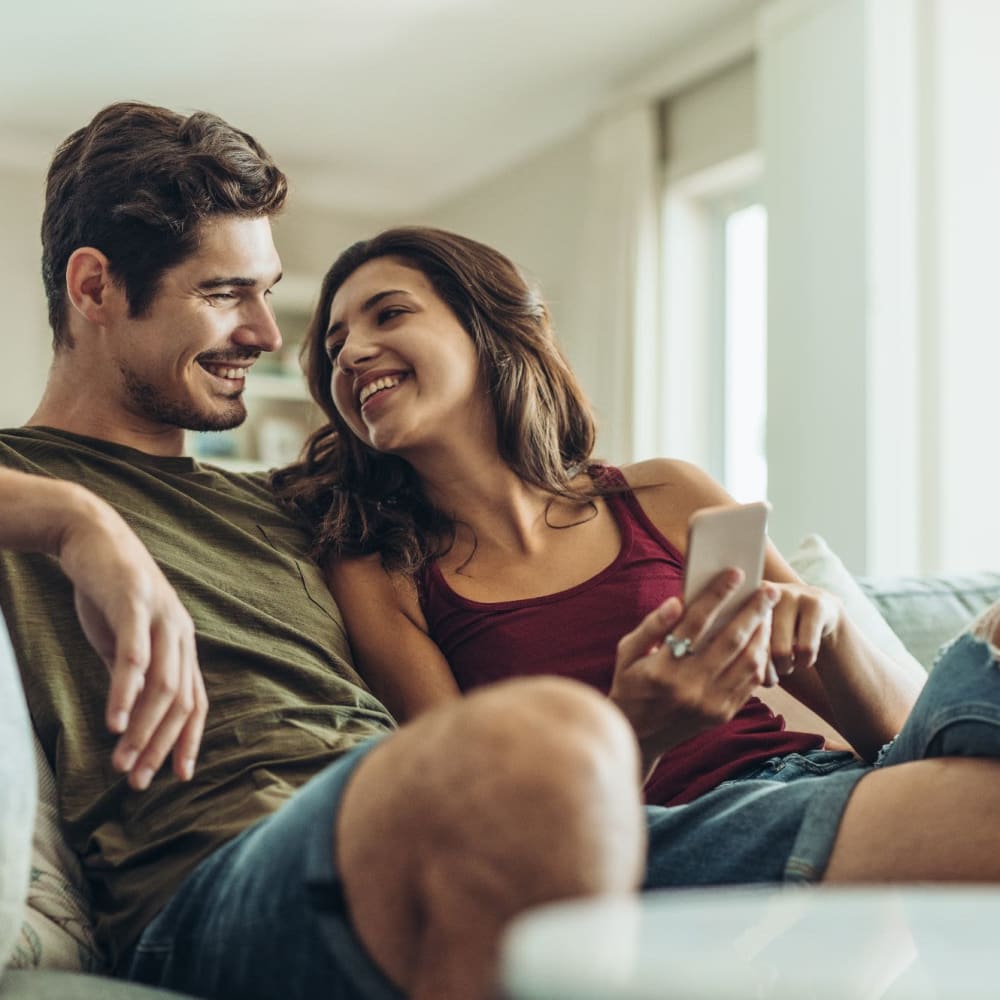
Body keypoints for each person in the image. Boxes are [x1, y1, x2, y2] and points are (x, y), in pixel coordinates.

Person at [0, 102, 656, 1000]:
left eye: (267, 293)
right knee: (555, 741)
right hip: (220, 884)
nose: (269, 336)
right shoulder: (21, 484)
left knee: (916, 810)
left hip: (412, 814)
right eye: (225, 293)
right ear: (94, 289)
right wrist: (81, 523)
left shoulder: (303, 508)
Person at [274, 224, 1000, 892]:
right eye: (334, 345)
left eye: (388, 314)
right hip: (649, 830)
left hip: (822, 777)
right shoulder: (380, 569)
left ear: (488, 326)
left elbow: (905, 737)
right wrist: (634, 727)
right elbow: (486, 822)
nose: (352, 352)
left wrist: (833, 631)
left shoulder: (664, 492)